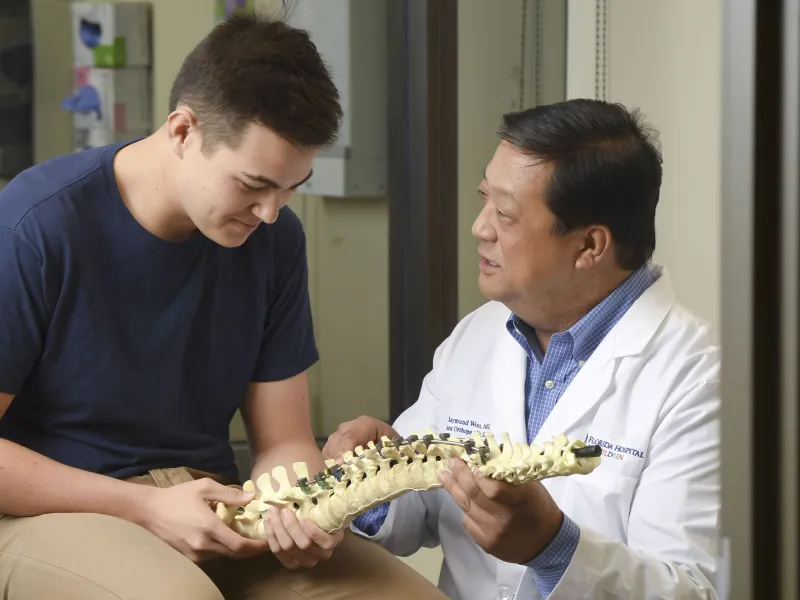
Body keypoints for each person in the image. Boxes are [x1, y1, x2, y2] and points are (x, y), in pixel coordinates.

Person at [0, 10, 446, 600]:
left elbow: (284, 439)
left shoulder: (274, 237)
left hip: (214, 505)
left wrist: (302, 508)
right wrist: (146, 507)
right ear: (183, 131)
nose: (270, 212)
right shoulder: (38, 223)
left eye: (292, 188)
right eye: (253, 184)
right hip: (52, 513)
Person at [324, 99, 721, 600]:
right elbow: (418, 516)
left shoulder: (697, 379)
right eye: (483, 198)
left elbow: (696, 590)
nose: (480, 227)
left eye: (505, 214)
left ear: (589, 247)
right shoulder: (479, 335)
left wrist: (553, 547)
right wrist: (376, 479)